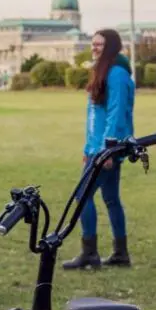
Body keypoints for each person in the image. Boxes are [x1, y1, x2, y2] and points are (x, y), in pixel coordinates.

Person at [63, 28, 136, 270]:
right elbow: (93, 116)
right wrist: (88, 147)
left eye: (100, 44)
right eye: (93, 44)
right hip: (97, 147)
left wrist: (108, 149)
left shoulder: (116, 74)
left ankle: (90, 253)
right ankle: (120, 253)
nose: (94, 48)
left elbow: (116, 113)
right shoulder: (103, 71)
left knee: (82, 196)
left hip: (108, 147)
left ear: (111, 47)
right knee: (111, 198)